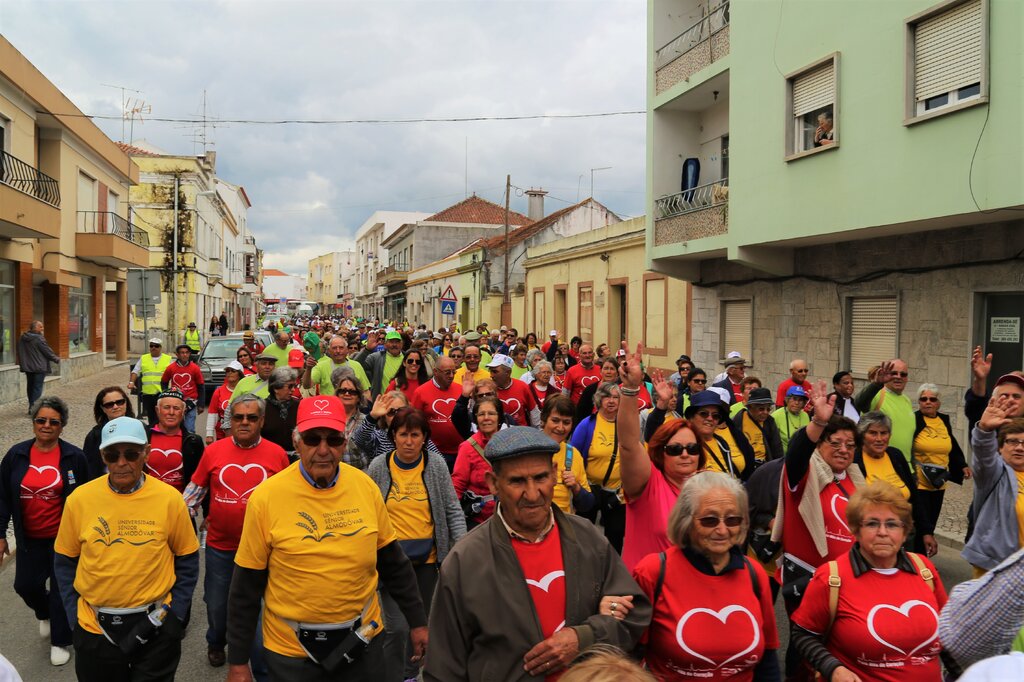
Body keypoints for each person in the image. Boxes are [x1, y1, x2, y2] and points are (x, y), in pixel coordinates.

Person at [423, 426, 652, 681]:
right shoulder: (465, 561)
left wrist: (584, 636)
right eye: (517, 481)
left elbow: (634, 615)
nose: (532, 494)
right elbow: (443, 667)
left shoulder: (588, 539)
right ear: (493, 484)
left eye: (541, 478)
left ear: (555, 474)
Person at [225, 395, 427, 681]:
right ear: (297, 442)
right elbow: (245, 587)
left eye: (332, 439)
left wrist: (418, 623)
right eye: (312, 439)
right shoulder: (267, 498)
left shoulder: (365, 487)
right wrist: (238, 662)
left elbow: (395, 565)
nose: (323, 450)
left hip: (362, 644)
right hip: (291, 653)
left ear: (344, 442)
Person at [53, 416, 199, 681]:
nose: (121, 463)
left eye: (131, 454)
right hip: (94, 627)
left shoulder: (170, 499)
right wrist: (74, 617)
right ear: (102, 456)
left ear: (146, 453)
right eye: (112, 454)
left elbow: (187, 557)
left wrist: (176, 615)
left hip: (156, 625)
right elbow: (64, 561)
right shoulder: (79, 500)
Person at [630, 471, 779, 680]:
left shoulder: (755, 574)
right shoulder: (653, 572)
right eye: (709, 520)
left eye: (732, 519)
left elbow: (768, 660)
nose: (722, 530)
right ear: (686, 521)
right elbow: (630, 658)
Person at [791, 482, 946, 682]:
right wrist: (833, 668)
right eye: (872, 523)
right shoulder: (831, 577)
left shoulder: (924, 569)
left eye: (892, 524)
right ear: (856, 530)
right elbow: (803, 635)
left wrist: (960, 672)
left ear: (905, 532)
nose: (883, 532)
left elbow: (949, 632)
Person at [183, 395, 289, 672]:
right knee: (217, 605)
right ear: (230, 420)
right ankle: (216, 641)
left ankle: (258, 668)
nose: (244, 422)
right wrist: (176, 522)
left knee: (256, 610)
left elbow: (290, 499)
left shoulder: (277, 454)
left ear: (262, 421)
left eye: (251, 417)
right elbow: (193, 493)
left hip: (264, 550)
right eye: (238, 417)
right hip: (221, 547)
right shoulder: (214, 451)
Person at [366, 408, 466, 682]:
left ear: (424, 438)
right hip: (391, 563)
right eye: (403, 434)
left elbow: (452, 510)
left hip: (428, 561)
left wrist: (459, 551)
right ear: (393, 437)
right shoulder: (378, 466)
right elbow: (367, 511)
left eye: (415, 435)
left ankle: (410, 675)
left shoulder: (435, 465)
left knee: (420, 626)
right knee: (395, 628)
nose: (409, 441)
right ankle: (391, 676)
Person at [0, 397, 88, 667]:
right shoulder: (16, 455)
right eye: (41, 420)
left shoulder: (75, 457)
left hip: (64, 540)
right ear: (33, 422)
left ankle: (60, 641)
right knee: (24, 586)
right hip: (29, 539)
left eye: (54, 422)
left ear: (62, 426)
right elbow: (2, 495)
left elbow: (88, 498)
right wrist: (1, 534)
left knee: (63, 591)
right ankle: (43, 611)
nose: (46, 426)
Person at [772, 381, 863, 616]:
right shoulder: (804, 473)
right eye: (835, 443)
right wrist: (819, 422)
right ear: (820, 444)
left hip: (849, 580)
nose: (844, 449)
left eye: (850, 445)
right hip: (808, 579)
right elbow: (796, 453)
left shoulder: (856, 479)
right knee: (806, 647)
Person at [617, 352, 707, 570]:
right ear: (661, 452)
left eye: (692, 448)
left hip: (687, 595)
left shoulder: (706, 488)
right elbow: (629, 444)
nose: (685, 454)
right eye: (675, 449)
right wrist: (630, 389)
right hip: (646, 595)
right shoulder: (648, 484)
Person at [856, 411, 937, 557]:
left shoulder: (895, 456)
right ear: (862, 436)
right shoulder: (854, 461)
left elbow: (914, 498)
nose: (879, 439)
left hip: (905, 535)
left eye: (884, 433)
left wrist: (926, 532)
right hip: (873, 537)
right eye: (873, 433)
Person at [962, 394, 1024, 575]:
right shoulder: (994, 474)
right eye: (1012, 441)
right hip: (997, 569)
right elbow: (984, 457)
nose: (1019, 447)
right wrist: (984, 431)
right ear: (1000, 447)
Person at [913, 383, 970, 554]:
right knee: (921, 523)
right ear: (919, 402)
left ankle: (923, 560)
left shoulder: (943, 420)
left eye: (932, 399)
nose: (928, 402)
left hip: (939, 480)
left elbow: (951, 444)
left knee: (931, 521)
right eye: (924, 399)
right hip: (919, 480)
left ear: (938, 403)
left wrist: (962, 465)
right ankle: (918, 561)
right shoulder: (913, 419)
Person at [571, 382, 626, 553]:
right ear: (599, 400)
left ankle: (612, 570)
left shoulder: (626, 425)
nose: (611, 401)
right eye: (606, 396)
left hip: (617, 492)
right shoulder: (587, 425)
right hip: (590, 488)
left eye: (616, 397)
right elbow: (574, 456)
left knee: (616, 536)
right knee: (583, 535)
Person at [452, 396, 505, 528]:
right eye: (481, 414)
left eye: (491, 413)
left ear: (499, 417)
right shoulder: (467, 448)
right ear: (476, 418)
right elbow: (457, 485)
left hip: (508, 516)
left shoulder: (510, 442)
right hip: (479, 521)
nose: (486, 418)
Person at [540, 395, 595, 516]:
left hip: (561, 528)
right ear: (543, 420)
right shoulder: (527, 449)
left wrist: (576, 488)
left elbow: (587, 505)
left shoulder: (573, 454)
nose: (560, 428)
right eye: (555, 420)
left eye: (566, 422)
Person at [854, 359, 915, 463]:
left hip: (906, 468)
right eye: (894, 373)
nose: (898, 377)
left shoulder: (907, 400)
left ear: (907, 378)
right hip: (881, 465)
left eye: (903, 374)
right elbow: (860, 402)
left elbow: (908, 437)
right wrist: (876, 384)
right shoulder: (878, 395)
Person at [147, 390, 205, 495]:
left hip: (178, 504)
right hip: (146, 502)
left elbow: (200, 480)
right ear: (157, 410)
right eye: (166, 407)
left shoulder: (193, 442)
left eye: (176, 408)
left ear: (183, 412)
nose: (171, 412)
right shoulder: (144, 436)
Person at [410, 356, 462, 472]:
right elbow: (414, 422)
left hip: (460, 451)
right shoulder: (421, 392)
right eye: (447, 372)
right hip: (434, 453)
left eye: (454, 372)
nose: (451, 376)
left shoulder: (460, 389)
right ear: (435, 372)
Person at [83, 386, 135, 479]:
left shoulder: (140, 428)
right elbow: (90, 468)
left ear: (126, 403)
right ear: (103, 408)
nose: (115, 407)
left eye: (119, 402)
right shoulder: (95, 435)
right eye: (109, 404)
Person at [302, 335, 370, 397]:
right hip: (329, 408)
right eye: (334, 348)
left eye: (341, 348)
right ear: (329, 350)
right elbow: (306, 385)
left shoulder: (356, 365)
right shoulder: (321, 366)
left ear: (346, 350)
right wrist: (308, 369)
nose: (338, 351)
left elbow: (366, 391)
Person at [129, 338, 174, 427]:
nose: (154, 348)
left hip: (162, 393)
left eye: (156, 346)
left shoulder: (168, 359)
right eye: (151, 346)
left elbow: (174, 374)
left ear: (161, 348)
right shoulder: (144, 358)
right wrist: (131, 382)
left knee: (162, 415)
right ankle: (153, 433)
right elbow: (135, 371)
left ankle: (162, 431)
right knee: (151, 416)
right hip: (147, 393)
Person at [733, 387, 784, 466]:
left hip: (764, 466)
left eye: (768, 409)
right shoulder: (738, 421)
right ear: (750, 407)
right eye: (761, 409)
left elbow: (777, 449)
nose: (765, 412)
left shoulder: (769, 422)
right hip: (745, 466)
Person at [17, 320, 60, 413]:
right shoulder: (39, 338)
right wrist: (56, 359)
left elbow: (20, 351)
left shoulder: (22, 338)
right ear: (35, 328)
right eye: (40, 327)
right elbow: (47, 351)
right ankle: (34, 409)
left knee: (30, 387)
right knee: (37, 388)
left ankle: (31, 407)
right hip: (39, 367)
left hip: (28, 367)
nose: (42, 328)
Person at [161, 344, 205, 433]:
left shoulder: (195, 368)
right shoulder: (171, 368)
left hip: (191, 402)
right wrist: (166, 395)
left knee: (189, 428)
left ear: (189, 354)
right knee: (176, 427)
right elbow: (164, 382)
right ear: (177, 355)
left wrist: (201, 404)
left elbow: (201, 386)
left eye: (186, 353)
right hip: (176, 401)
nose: (184, 355)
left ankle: (189, 444)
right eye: (182, 353)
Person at [487, 353, 539, 427]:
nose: (491, 375)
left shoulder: (522, 387)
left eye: (495, 372)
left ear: (508, 373)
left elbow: (534, 414)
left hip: (520, 434)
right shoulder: (487, 389)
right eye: (490, 371)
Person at [333, 371, 371, 469]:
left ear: (359, 397)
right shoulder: (329, 419)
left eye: (352, 392)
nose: (347, 394)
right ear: (337, 394)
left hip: (360, 473)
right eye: (343, 391)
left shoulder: (366, 421)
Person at [356, 330, 409, 401]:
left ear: (401, 344)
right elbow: (357, 365)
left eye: (397, 342)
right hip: (382, 402)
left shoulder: (408, 358)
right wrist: (367, 350)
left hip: (404, 402)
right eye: (391, 342)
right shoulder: (376, 358)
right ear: (385, 344)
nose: (394, 345)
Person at [261, 368, 301, 455]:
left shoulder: (299, 406)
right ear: (276, 388)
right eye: (290, 386)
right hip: (269, 455)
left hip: (295, 457)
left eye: (295, 386)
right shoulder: (262, 407)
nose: (293, 390)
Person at [207, 361, 244, 445]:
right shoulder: (219, 391)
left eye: (233, 371)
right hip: (221, 433)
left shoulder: (245, 391)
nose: (230, 373)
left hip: (241, 431)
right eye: (228, 371)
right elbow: (213, 413)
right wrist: (209, 434)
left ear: (240, 374)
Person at [772, 385, 810, 452]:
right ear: (787, 400)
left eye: (800, 400)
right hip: (782, 458)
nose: (797, 403)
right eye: (794, 399)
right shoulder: (776, 415)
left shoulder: (805, 416)